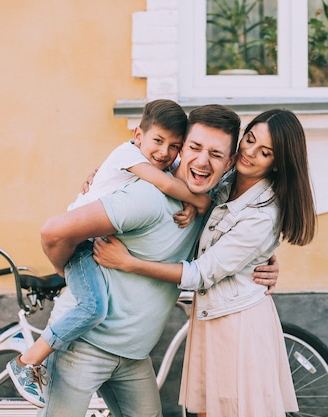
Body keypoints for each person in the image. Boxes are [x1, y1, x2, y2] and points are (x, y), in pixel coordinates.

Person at [37, 104, 279, 417]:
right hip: (83, 347)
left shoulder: (208, 200)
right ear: (182, 147)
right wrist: (69, 274)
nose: (202, 161)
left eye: (216, 155)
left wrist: (266, 258)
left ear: (230, 161)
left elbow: (234, 234)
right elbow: (53, 233)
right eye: (194, 147)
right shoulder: (145, 198)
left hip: (134, 355)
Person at [93, 108, 317, 417]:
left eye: (264, 152)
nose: (249, 153)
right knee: (206, 411)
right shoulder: (225, 175)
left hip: (238, 325)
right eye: (249, 140)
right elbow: (165, 159)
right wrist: (107, 173)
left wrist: (128, 263)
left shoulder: (264, 214)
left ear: (277, 164)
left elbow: (201, 273)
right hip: (211, 317)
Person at [6, 99, 211, 408]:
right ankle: (26, 362)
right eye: (158, 141)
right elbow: (166, 185)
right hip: (85, 251)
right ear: (137, 135)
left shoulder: (158, 164)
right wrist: (200, 202)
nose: (165, 152)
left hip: (133, 352)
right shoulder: (135, 162)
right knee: (92, 308)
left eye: (174, 146)